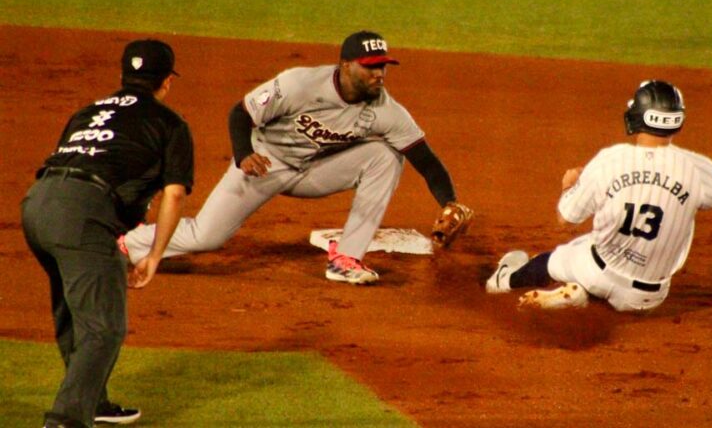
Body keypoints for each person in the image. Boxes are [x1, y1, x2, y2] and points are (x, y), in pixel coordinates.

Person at [122, 30, 470, 285]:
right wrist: (243, 155)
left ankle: (346, 258)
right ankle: (130, 241)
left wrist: (449, 202)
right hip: (263, 164)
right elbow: (240, 113)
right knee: (206, 237)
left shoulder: (386, 109)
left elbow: (424, 157)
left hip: (314, 172)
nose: (379, 74)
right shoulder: (299, 84)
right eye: (370, 67)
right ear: (346, 65)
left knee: (385, 156)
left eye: (383, 66)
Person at [486, 79, 712, 312]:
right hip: (648, 298)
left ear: (638, 117)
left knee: (558, 257)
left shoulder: (610, 159)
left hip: (597, 269)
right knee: (606, 272)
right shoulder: (698, 168)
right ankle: (581, 298)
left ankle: (503, 280)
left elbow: (565, 218)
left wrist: (569, 184)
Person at [22, 40, 194, 428]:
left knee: (73, 313)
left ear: (123, 76)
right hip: (82, 214)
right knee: (105, 326)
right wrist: (154, 254)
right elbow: (175, 193)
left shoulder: (86, 112)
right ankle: (65, 421)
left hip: (38, 204)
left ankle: (92, 402)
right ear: (166, 82)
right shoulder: (169, 124)